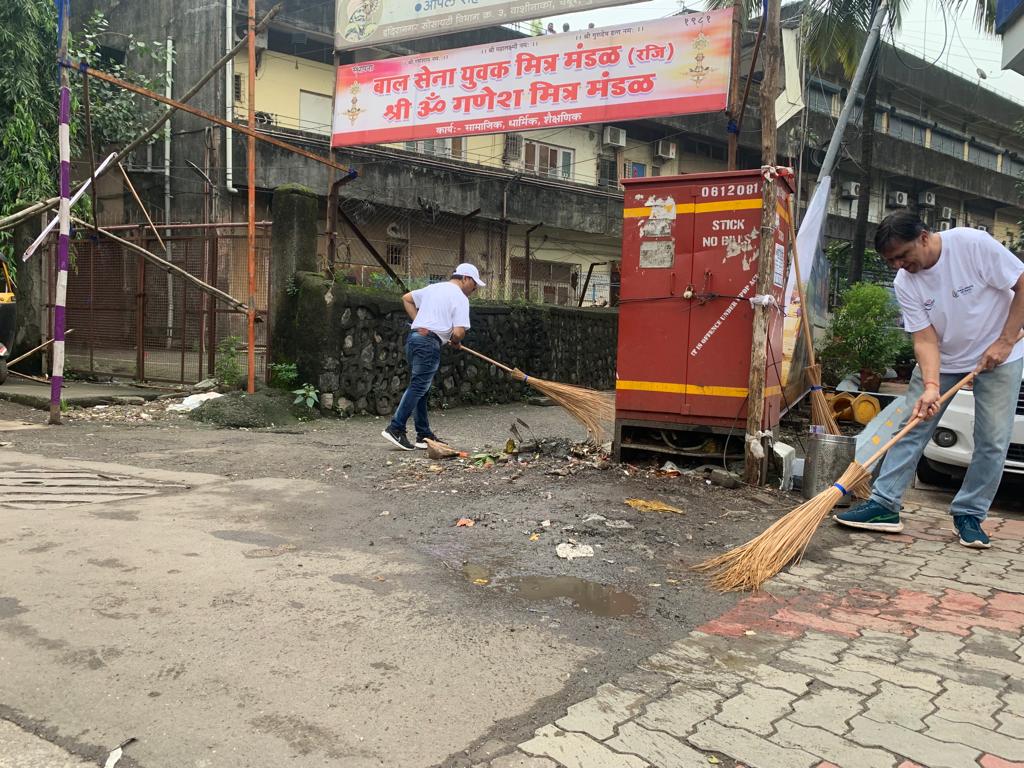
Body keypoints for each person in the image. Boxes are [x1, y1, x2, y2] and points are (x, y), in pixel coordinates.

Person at [834, 211, 1024, 548]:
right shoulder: (905, 282)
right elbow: (924, 339)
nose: (898, 265)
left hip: (1001, 354)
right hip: (945, 357)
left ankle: (969, 513)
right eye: (891, 260)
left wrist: (1006, 341)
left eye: (902, 255)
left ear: (924, 236)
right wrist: (933, 387)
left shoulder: (971, 245)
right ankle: (884, 504)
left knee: (992, 439)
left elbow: (1022, 282)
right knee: (913, 423)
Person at [381, 263, 485, 451]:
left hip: (414, 339)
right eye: (474, 284)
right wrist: (454, 339)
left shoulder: (433, 287)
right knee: (419, 386)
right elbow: (459, 332)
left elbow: (407, 299)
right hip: (429, 343)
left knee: (421, 388)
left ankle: (423, 435)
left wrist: (420, 322)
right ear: (465, 279)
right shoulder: (460, 298)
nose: (475, 289)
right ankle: (396, 428)